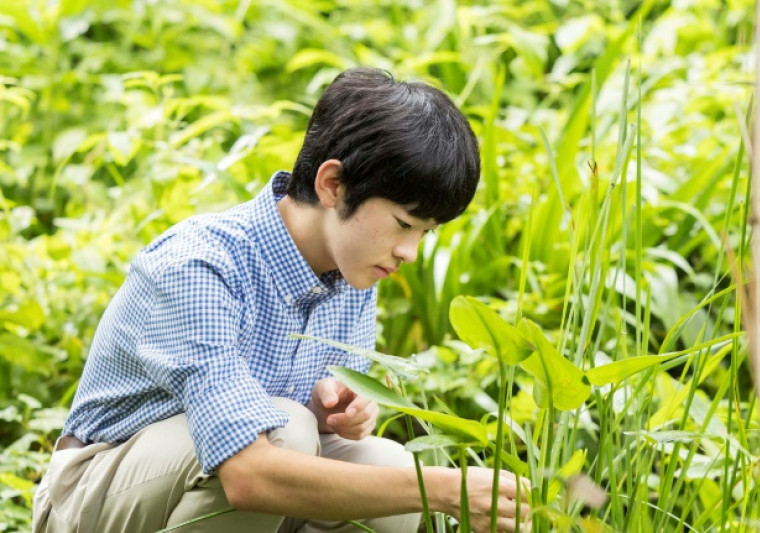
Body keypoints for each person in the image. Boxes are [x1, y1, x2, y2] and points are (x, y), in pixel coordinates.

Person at [33, 67, 529, 533]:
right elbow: (248, 474)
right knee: (287, 434)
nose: (410, 252)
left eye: (426, 232)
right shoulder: (199, 265)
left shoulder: (354, 268)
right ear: (332, 185)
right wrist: (439, 489)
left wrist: (335, 410)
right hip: (89, 495)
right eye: (404, 223)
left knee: (386, 465)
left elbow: (309, 428)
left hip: (223, 481)